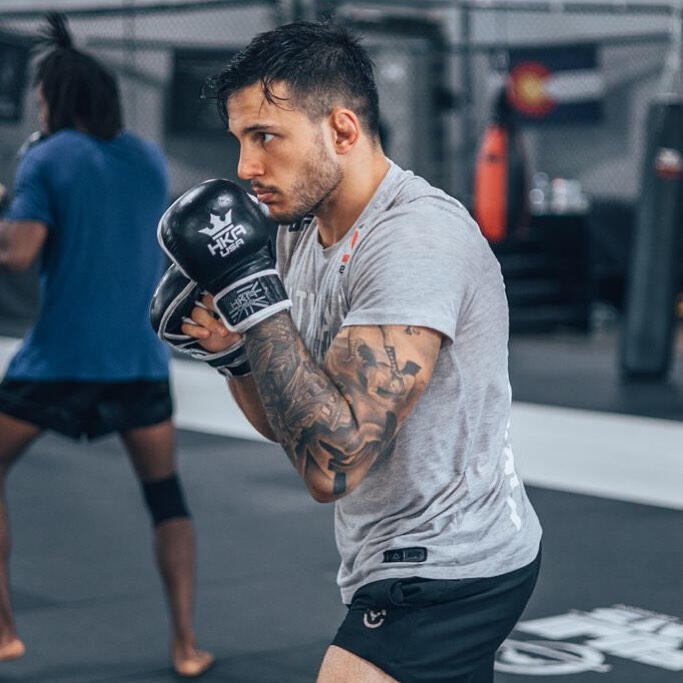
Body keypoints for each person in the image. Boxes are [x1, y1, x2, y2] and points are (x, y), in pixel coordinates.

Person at [157, 21, 543, 682]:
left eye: (265, 137)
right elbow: (298, 426)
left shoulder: (414, 242)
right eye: (239, 139)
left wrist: (252, 299)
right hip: (389, 548)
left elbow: (333, 466)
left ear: (341, 130)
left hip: (450, 563)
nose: (245, 168)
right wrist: (235, 356)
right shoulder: (296, 235)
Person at [0, 14, 212, 677]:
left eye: (42, 99)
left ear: (54, 99)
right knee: (166, 498)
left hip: (57, 362)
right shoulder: (147, 157)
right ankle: (186, 644)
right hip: (139, 364)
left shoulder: (46, 157)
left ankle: (3, 631)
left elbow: (19, 254)